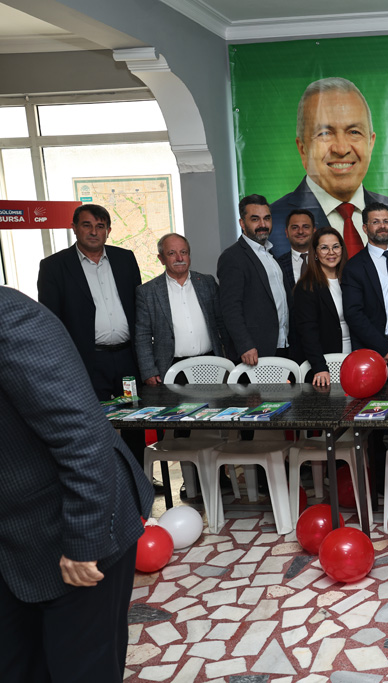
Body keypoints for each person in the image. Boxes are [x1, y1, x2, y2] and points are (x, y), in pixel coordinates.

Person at [0, 285, 153, 682]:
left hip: (71, 531)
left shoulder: (8, 316)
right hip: (13, 542)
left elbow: (82, 437)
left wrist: (84, 544)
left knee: (81, 669)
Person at [36, 203, 148, 473]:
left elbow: (138, 307)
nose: (94, 232)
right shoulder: (54, 266)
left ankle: (138, 479)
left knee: (134, 421)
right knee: (93, 424)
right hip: (87, 362)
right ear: (74, 228)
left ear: (108, 230)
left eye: (100, 226)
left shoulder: (125, 259)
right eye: (87, 225)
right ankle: (103, 480)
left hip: (127, 359)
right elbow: (51, 321)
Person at [270, 77, 388, 258]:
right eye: (325, 133)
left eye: (354, 132)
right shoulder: (271, 224)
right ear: (302, 149)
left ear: (370, 143)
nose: (341, 149)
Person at [135, 233, 223, 385]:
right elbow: (142, 336)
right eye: (171, 253)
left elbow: (221, 321)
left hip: (211, 364)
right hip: (171, 369)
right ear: (161, 259)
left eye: (183, 252)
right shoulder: (147, 292)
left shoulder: (207, 283)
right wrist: (149, 371)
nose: (179, 258)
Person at [217, 194, 292, 364]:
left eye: (267, 218)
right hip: (255, 351)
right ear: (242, 223)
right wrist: (245, 345)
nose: (263, 225)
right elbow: (230, 308)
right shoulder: (232, 257)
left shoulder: (270, 254)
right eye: (255, 219)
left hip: (282, 344)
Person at [341, 202, 388, 373]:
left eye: (386, 221)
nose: (382, 226)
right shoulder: (355, 267)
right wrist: (382, 346)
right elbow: (353, 314)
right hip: (376, 351)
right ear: (365, 228)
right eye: (376, 222)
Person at [293, 227, 350, 386]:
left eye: (336, 247)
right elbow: (307, 331)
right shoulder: (306, 287)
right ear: (315, 253)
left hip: (353, 355)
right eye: (324, 248)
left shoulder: (350, 280)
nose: (331, 252)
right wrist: (319, 367)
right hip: (325, 361)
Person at [275, 208, 315, 292]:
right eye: (295, 227)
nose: (300, 231)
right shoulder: (278, 265)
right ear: (287, 232)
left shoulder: (325, 259)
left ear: (314, 231)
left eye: (306, 227)